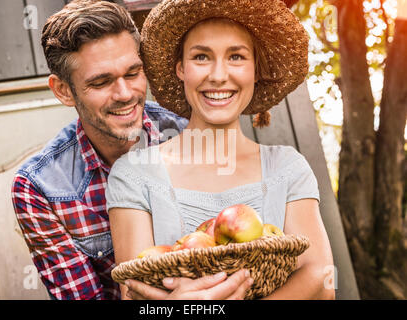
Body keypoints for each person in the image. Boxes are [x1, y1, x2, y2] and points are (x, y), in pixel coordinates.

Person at [106, 0, 335, 300]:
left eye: (236, 57)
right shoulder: (134, 176)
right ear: (181, 70)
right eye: (201, 57)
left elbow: (322, 282)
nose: (218, 75)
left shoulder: (287, 169)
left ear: (255, 71)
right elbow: (135, 294)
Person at [10, 0, 192, 300]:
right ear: (63, 90)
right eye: (101, 82)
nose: (125, 94)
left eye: (133, 73)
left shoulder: (189, 134)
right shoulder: (38, 188)